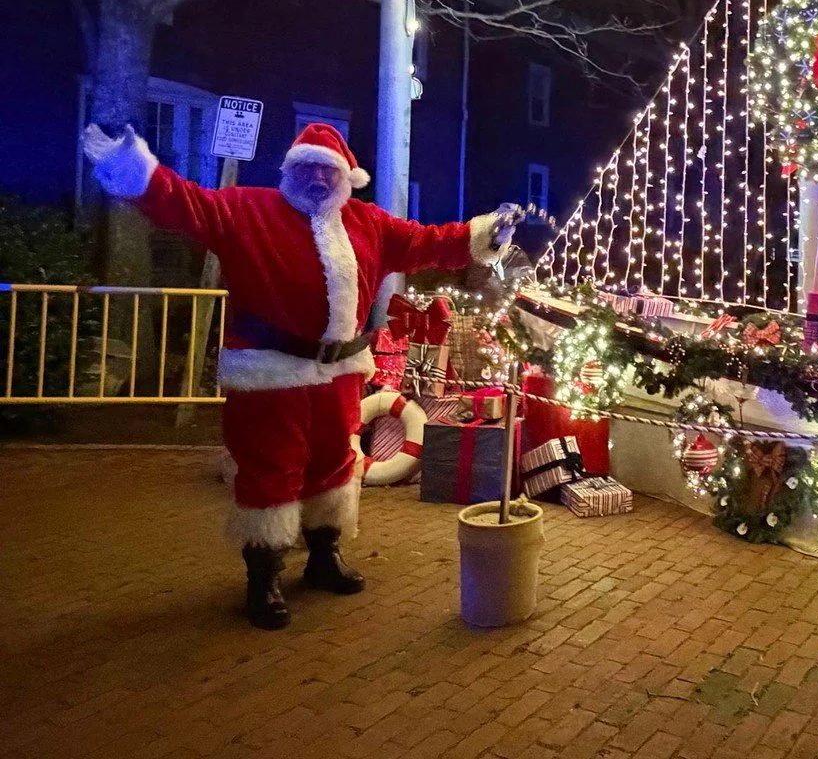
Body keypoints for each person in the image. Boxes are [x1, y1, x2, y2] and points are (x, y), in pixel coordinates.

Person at [83, 121, 521, 629]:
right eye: (306, 166)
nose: (316, 177)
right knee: (271, 470)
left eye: (326, 169)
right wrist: (130, 164)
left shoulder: (369, 223)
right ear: (289, 171)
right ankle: (264, 577)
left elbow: (428, 241)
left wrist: (486, 233)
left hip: (340, 374)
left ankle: (323, 556)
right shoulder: (247, 210)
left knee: (334, 463)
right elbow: (184, 203)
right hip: (270, 375)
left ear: (346, 176)